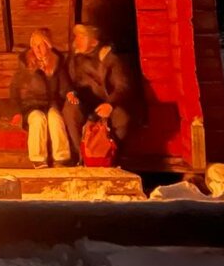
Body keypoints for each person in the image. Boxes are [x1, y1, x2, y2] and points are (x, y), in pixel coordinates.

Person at [63, 23, 142, 164]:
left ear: (94, 42)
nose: (77, 41)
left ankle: (110, 156)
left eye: (82, 37)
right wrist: (71, 92)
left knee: (122, 118)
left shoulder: (110, 59)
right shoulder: (74, 59)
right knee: (70, 110)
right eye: (77, 37)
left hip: (108, 102)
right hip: (86, 102)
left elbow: (123, 86)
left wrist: (110, 104)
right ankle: (83, 156)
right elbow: (68, 81)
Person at [9, 28, 72, 168]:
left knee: (55, 118)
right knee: (38, 119)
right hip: (31, 105)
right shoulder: (26, 64)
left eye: (40, 45)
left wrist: (69, 93)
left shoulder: (56, 63)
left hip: (51, 104)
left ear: (47, 45)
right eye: (34, 45)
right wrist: (17, 112)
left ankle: (61, 158)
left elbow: (64, 84)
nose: (36, 49)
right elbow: (14, 90)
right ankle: (38, 159)